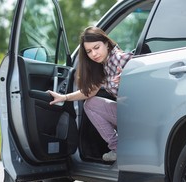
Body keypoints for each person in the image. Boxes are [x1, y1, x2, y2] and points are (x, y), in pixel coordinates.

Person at [48, 26, 133, 162]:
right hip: (126, 112)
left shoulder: (119, 58)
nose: (94, 54)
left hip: (138, 114)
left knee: (91, 104)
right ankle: (117, 147)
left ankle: (119, 147)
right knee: (91, 104)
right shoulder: (104, 66)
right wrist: (64, 97)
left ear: (106, 43)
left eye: (96, 47)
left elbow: (142, 65)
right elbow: (89, 92)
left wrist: (130, 75)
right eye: (89, 51)